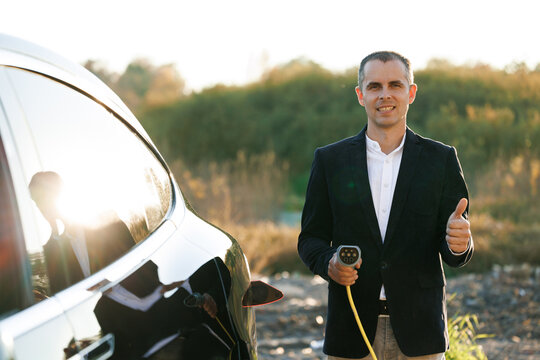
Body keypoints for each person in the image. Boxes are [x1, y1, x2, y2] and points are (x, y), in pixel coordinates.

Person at [298, 51, 473, 360]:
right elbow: (310, 239)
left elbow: (455, 250)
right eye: (374, 86)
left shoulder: (441, 159)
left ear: (411, 92)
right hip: (350, 332)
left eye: (395, 84)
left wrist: (459, 244)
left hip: (421, 335)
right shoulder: (330, 160)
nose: (385, 94)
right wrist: (330, 264)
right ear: (360, 95)